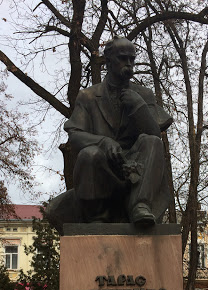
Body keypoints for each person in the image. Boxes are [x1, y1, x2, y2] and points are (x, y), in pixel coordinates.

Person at [46, 36, 173, 231]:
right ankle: (98, 216)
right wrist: (103, 142)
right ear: (108, 60)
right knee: (89, 154)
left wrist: (139, 106)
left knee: (152, 142)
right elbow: (76, 135)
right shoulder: (88, 96)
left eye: (132, 59)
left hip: (135, 167)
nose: (129, 64)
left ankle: (140, 205)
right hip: (103, 168)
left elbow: (155, 135)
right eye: (123, 58)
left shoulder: (143, 95)